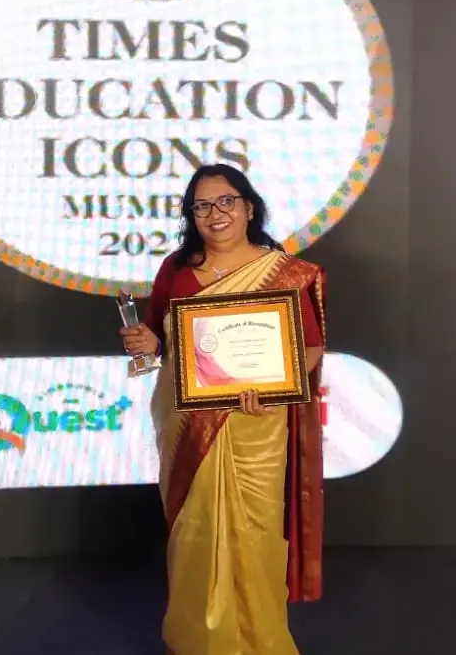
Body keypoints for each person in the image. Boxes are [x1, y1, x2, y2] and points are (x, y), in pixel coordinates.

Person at [119, 164, 326, 655]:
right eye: (202, 205)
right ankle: (200, 641)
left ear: (249, 207)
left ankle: (258, 641)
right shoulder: (176, 269)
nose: (215, 214)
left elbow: (311, 347)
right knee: (197, 531)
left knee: (256, 534)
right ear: (192, 215)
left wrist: (271, 388)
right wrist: (145, 342)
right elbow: (160, 336)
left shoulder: (283, 272)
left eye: (226, 201)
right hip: (189, 421)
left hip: (258, 424)